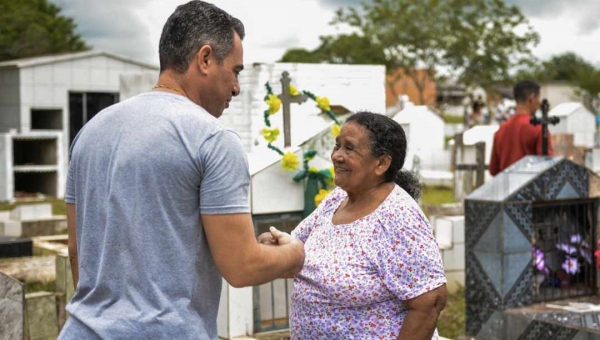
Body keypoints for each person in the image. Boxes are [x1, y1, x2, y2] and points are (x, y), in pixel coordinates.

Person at [59, 2, 304, 339]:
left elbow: (77, 250)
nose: (236, 87)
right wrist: (295, 253)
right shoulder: (213, 140)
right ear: (204, 59)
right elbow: (242, 266)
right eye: (235, 70)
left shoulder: (90, 132)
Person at [262, 112, 447, 339]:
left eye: (349, 149)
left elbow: (430, 301)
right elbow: (295, 254)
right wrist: (274, 245)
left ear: (381, 163)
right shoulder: (337, 199)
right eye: (337, 146)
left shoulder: (399, 218)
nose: (337, 156)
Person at [489, 80, 554, 176]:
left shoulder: (501, 130)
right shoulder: (539, 129)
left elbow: (494, 170)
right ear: (531, 99)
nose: (539, 103)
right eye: (538, 99)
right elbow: (547, 168)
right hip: (531, 188)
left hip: (508, 188)